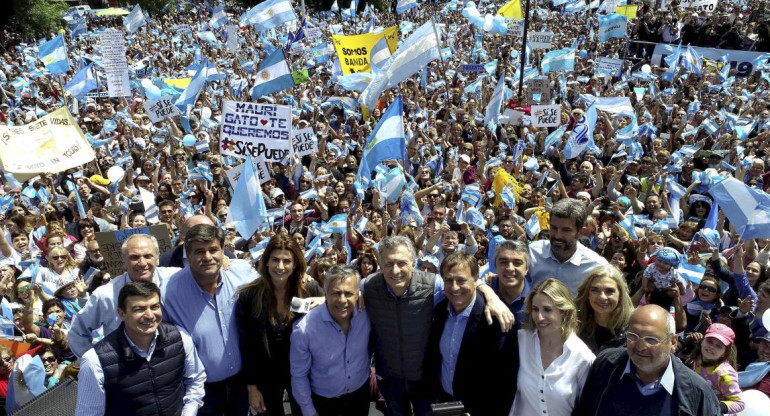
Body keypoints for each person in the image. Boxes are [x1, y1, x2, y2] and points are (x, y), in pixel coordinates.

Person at [363, 236, 513, 416]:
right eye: (388, 263)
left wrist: (491, 296)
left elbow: (463, 281)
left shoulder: (433, 283)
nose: (395, 270)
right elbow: (343, 293)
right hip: (389, 379)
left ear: (414, 262)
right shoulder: (369, 286)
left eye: (402, 263)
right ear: (379, 263)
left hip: (423, 380)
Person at [162, 224, 258, 416]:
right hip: (202, 393)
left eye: (213, 250)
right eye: (199, 251)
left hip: (242, 384)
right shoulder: (168, 292)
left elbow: (273, 294)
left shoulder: (241, 273)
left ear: (223, 252)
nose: (207, 257)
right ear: (187, 256)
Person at [75, 281, 206, 416]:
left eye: (155, 307)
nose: (150, 315)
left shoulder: (180, 338)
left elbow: (195, 379)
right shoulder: (95, 362)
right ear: (121, 313)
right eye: (139, 309)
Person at [573, 305, 721, 415]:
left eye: (651, 339)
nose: (640, 347)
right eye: (633, 336)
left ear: (673, 342)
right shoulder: (606, 364)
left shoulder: (698, 393)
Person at [235, 233, 324, 416]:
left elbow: (337, 300)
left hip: (303, 375)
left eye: (287, 261)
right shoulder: (249, 296)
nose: (280, 267)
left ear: (295, 264)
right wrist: (252, 388)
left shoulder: (309, 290)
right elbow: (247, 346)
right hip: (265, 378)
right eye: (275, 260)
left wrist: (324, 299)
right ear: (266, 262)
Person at [427, 252, 518, 416]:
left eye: (461, 280)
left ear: (476, 279)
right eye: (448, 280)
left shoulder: (496, 319)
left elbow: (505, 379)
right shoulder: (440, 311)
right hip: (445, 404)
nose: (454, 287)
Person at [69, 234, 179, 357]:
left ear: (157, 258)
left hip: (172, 361)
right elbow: (77, 333)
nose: (142, 263)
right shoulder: (106, 295)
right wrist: (96, 364)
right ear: (124, 262)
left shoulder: (176, 280)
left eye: (148, 256)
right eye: (134, 257)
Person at [290, 265, 371, 416]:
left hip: (360, 396)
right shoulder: (304, 330)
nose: (342, 300)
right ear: (325, 293)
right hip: (324, 404)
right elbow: (299, 375)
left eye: (348, 293)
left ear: (357, 294)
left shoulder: (366, 313)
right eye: (335, 293)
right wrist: (308, 410)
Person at [510, 278, 595, 416]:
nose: (539, 317)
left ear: (565, 312)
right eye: (535, 309)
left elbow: (589, 406)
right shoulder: (520, 341)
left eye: (547, 310)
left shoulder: (583, 357)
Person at [528, 199, 608, 294]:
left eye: (566, 230)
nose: (557, 235)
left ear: (579, 232)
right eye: (554, 228)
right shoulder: (532, 252)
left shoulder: (596, 265)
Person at [686, 323, 745, 414]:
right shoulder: (698, 358)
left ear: (724, 353)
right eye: (709, 341)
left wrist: (714, 407)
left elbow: (739, 403)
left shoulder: (725, 374)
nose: (712, 347)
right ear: (702, 342)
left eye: (719, 346)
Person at [575, 265, 634, 353]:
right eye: (595, 290)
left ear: (620, 295)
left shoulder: (634, 327)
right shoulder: (575, 324)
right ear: (587, 294)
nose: (602, 297)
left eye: (609, 291)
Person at [159, 214, 236, 267]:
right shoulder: (166, 261)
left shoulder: (229, 258)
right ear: (183, 236)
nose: (207, 257)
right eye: (199, 234)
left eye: (210, 232)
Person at [488, 240, 530, 327]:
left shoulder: (536, 299)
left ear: (527, 269)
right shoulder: (482, 292)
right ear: (495, 266)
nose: (510, 268)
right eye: (503, 262)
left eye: (517, 263)